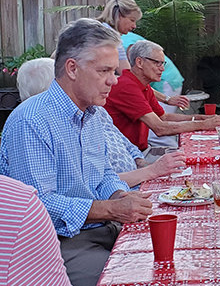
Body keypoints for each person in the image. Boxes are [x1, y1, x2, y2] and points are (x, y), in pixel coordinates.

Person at [0, 18, 153, 286]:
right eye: (104, 71)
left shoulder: (92, 114)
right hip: (51, 248)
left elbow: (104, 174)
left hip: (100, 229)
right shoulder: (32, 121)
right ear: (72, 68)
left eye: (115, 71)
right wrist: (112, 208)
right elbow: (38, 207)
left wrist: (120, 195)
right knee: (138, 285)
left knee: (170, 258)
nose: (114, 80)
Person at [17, 57, 185, 189]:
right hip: (113, 204)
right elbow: (88, 187)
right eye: (103, 71)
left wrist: (142, 164)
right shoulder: (36, 124)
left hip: (131, 185)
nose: (113, 81)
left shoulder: (94, 111)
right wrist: (150, 172)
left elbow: (127, 147)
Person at [0, 176, 93, 286]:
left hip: (101, 225)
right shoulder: (17, 203)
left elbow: (105, 176)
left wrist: (119, 194)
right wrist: (110, 208)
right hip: (67, 237)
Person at [104, 40, 220, 156]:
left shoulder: (143, 86)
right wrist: (204, 124)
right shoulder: (127, 86)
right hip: (127, 157)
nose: (162, 68)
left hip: (141, 151)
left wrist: (204, 118)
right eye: (157, 63)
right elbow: (160, 128)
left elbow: (164, 117)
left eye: (162, 63)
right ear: (139, 62)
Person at [97, 0, 190, 121]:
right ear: (119, 15)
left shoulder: (113, 37)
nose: (134, 26)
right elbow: (132, 79)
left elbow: (131, 77)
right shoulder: (106, 38)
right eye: (132, 20)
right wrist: (166, 99)